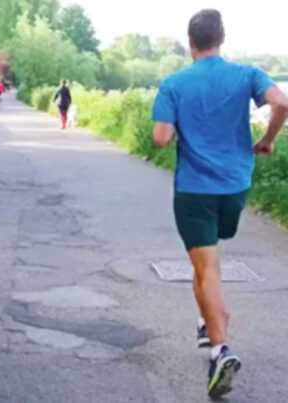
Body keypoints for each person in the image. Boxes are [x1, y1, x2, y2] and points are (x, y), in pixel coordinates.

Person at [152, 9, 288, 398]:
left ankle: (220, 348)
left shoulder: (174, 83)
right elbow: (282, 102)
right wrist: (268, 140)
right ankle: (207, 321)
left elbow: (161, 138)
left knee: (206, 267)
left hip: (195, 189)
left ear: (190, 42)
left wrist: (177, 128)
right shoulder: (247, 75)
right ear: (221, 38)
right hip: (235, 187)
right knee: (207, 262)